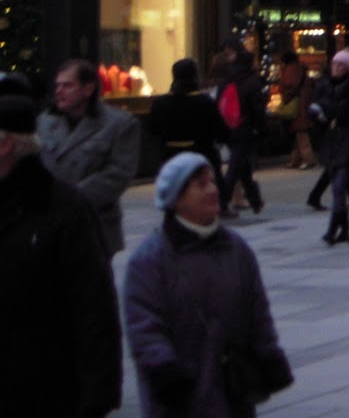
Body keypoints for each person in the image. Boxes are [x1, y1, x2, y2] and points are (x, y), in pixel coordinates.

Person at [124, 153, 293, 416]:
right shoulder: (150, 260)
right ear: (177, 198)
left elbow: (257, 310)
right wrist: (166, 372)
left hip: (233, 392)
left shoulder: (236, 249)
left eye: (212, 181)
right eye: (200, 184)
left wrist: (267, 354)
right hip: (181, 399)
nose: (213, 189)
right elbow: (144, 329)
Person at [0, 93, 123, 418]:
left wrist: (99, 392)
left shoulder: (63, 209)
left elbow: (94, 305)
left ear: (6, 145)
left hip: (44, 392)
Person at [37, 57, 140, 258]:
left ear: (88, 89)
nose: (59, 91)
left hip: (94, 226)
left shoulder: (120, 124)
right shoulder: (45, 122)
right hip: (50, 226)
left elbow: (119, 173)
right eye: (57, 85)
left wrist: (71, 198)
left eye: (67, 85)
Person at [148, 57, 229, 183]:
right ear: (195, 77)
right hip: (201, 156)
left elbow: (152, 130)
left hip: (171, 157)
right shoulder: (204, 102)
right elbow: (219, 130)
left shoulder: (160, 103)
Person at [309, 48, 349, 244]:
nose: (337, 68)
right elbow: (314, 108)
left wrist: (328, 111)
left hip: (346, 141)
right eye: (335, 64)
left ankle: (333, 229)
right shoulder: (323, 85)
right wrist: (322, 115)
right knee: (338, 187)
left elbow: (346, 112)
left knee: (338, 187)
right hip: (328, 141)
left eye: (342, 65)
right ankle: (343, 228)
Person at [215, 47, 267, 218]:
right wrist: (260, 129)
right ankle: (222, 203)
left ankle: (255, 201)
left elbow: (218, 105)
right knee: (236, 167)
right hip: (244, 129)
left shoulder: (226, 81)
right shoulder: (252, 82)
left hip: (228, 128)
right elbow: (258, 110)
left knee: (242, 166)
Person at [278, 51, 316, 169]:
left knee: (300, 134)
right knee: (298, 134)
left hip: (297, 106)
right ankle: (297, 159)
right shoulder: (301, 70)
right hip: (302, 104)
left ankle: (307, 159)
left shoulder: (291, 70)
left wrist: (285, 96)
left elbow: (289, 86)